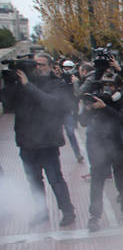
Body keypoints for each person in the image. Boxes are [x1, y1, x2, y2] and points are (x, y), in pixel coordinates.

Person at [1, 53, 76, 226]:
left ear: (50, 66)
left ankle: (67, 211)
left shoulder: (55, 84)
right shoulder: (21, 85)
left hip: (48, 141)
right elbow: (7, 103)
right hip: (26, 142)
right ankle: (41, 211)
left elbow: (52, 104)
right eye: (35, 65)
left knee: (55, 179)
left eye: (41, 64)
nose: (38, 68)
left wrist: (28, 86)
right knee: (34, 181)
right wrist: (11, 82)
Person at [80, 72, 123, 232]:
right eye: (104, 84)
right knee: (97, 179)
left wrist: (105, 107)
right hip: (98, 145)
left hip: (120, 146)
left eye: (111, 85)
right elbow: (83, 122)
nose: (107, 88)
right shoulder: (95, 98)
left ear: (118, 87)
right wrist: (88, 108)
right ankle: (94, 216)